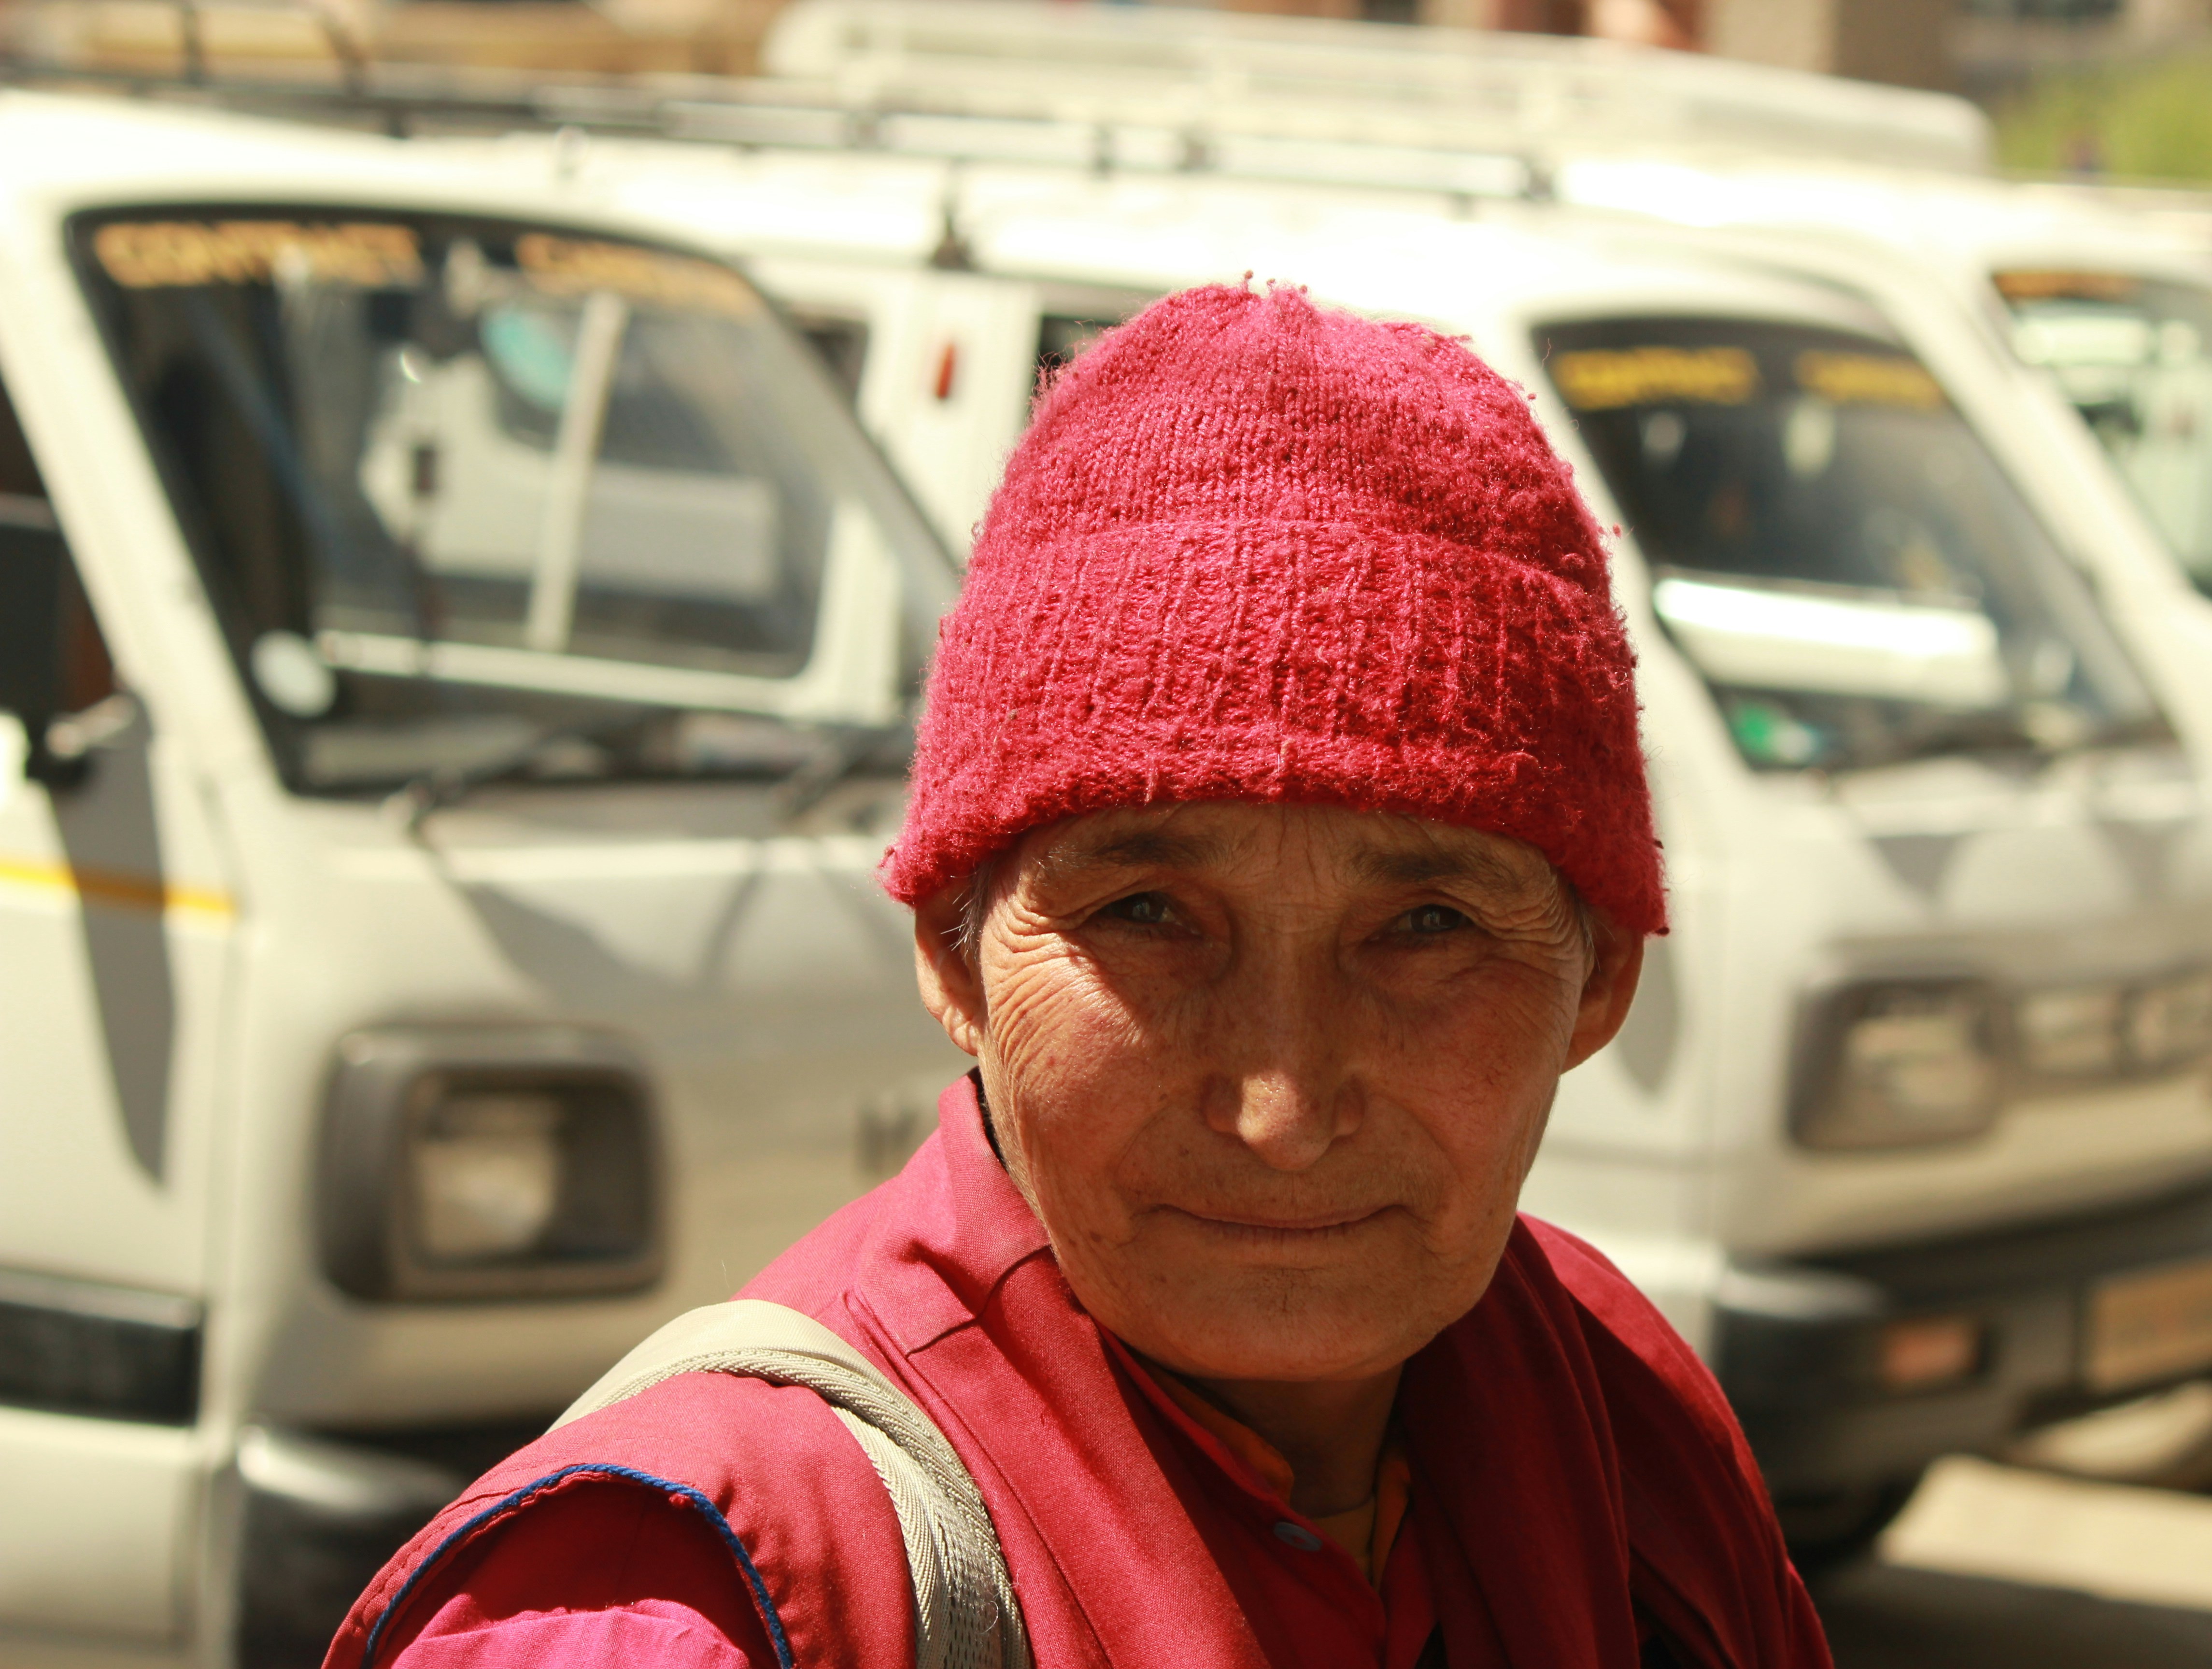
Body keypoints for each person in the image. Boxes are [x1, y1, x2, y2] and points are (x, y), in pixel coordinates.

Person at [324, 282, 1832, 1669]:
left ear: (1601, 984)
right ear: (951, 951)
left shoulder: (1620, 1438)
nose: (1284, 1108)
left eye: (1427, 927)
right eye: (1148, 917)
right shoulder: (693, 1601)